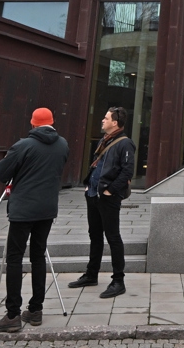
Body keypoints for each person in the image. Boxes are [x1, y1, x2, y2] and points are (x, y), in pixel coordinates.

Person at [0, 107, 71, 333]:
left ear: (33, 124)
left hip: (23, 209)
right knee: (38, 256)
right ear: (52, 122)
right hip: (47, 209)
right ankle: (36, 309)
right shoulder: (62, 144)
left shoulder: (23, 145)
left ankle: (13, 314)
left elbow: (1, 173)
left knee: (15, 258)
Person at [68, 106, 134, 299]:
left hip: (107, 197)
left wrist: (109, 191)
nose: (102, 121)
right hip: (93, 195)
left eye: (106, 118)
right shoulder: (103, 141)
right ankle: (91, 274)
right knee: (95, 235)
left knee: (113, 237)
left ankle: (118, 281)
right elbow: (97, 165)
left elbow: (127, 172)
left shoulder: (125, 144)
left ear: (115, 122)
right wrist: (89, 184)